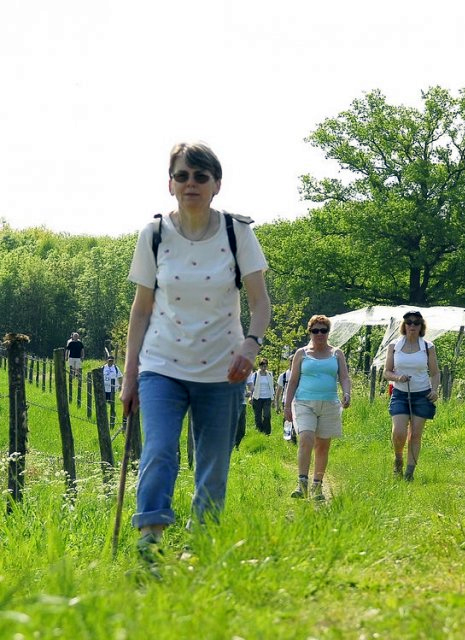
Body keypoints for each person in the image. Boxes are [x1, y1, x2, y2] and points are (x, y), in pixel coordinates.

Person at [121, 141, 271, 563]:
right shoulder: (152, 235)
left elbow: (261, 303)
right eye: (183, 176)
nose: (192, 184)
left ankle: (200, 545)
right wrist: (130, 376)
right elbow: (142, 308)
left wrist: (251, 344)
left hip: (224, 370)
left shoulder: (236, 232)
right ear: (170, 184)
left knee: (212, 463)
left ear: (216, 184)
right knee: (159, 450)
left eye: (201, 177)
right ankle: (150, 542)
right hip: (161, 367)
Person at [283, 315, 351, 501]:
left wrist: (347, 393)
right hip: (304, 402)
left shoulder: (337, 353)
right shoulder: (301, 353)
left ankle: (317, 486)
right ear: (310, 332)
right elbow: (293, 380)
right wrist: (287, 405)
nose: (319, 334)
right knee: (306, 438)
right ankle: (301, 483)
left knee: (322, 446)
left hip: (329, 404)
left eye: (323, 330)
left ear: (328, 332)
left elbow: (344, 377)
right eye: (315, 331)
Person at [383, 310, 440, 481]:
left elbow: (435, 373)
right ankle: (398, 458)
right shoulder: (394, 346)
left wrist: (434, 390)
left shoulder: (428, 347)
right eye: (409, 322)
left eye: (416, 322)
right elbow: (386, 372)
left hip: (422, 395)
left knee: (415, 434)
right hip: (400, 393)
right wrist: (397, 377)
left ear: (421, 326)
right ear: (404, 325)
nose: (412, 326)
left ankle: (409, 473)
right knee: (399, 432)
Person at [247, 358, 274, 435]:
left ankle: (267, 432)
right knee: (258, 416)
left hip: (267, 398)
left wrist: (273, 398)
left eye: (265, 366)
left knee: (267, 415)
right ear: (259, 366)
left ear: (267, 366)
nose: (263, 368)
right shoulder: (255, 375)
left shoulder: (270, 374)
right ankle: (259, 431)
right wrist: (250, 397)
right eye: (262, 366)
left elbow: (271, 387)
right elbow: (251, 387)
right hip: (257, 398)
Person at [275, 361, 296, 443]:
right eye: (291, 361)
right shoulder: (283, 376)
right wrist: (277, 404)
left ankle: (294, 439)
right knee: (287, 420)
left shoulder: (301, 374)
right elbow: (278, 391)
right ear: (289, 363)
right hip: (286, 401)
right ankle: (287, 439)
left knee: (296, 420)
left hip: (298, 401)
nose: (293, 362)